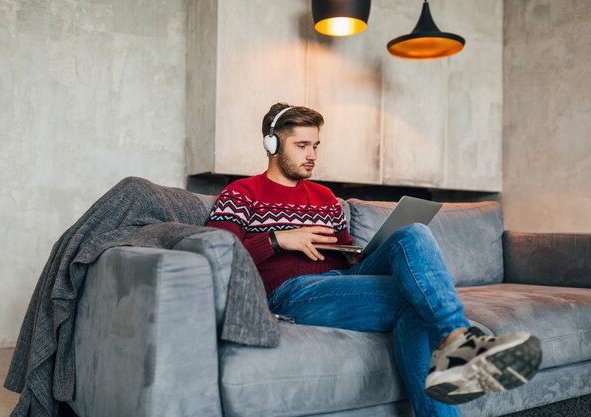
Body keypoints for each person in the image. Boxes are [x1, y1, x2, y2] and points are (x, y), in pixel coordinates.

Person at [205, 103, 542, 416]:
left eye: (316, 146)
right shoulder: (242, 194)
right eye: (302, 145)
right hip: (291, 294)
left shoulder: (325, 198)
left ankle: (457, 339)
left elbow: (346, 252)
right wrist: (278, 239)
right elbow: (219, 254)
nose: (312, 155)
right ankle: (460, 348)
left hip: (342, 281)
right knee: (417, 306)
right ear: (272, 145)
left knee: (412, 233)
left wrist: (361, 256)